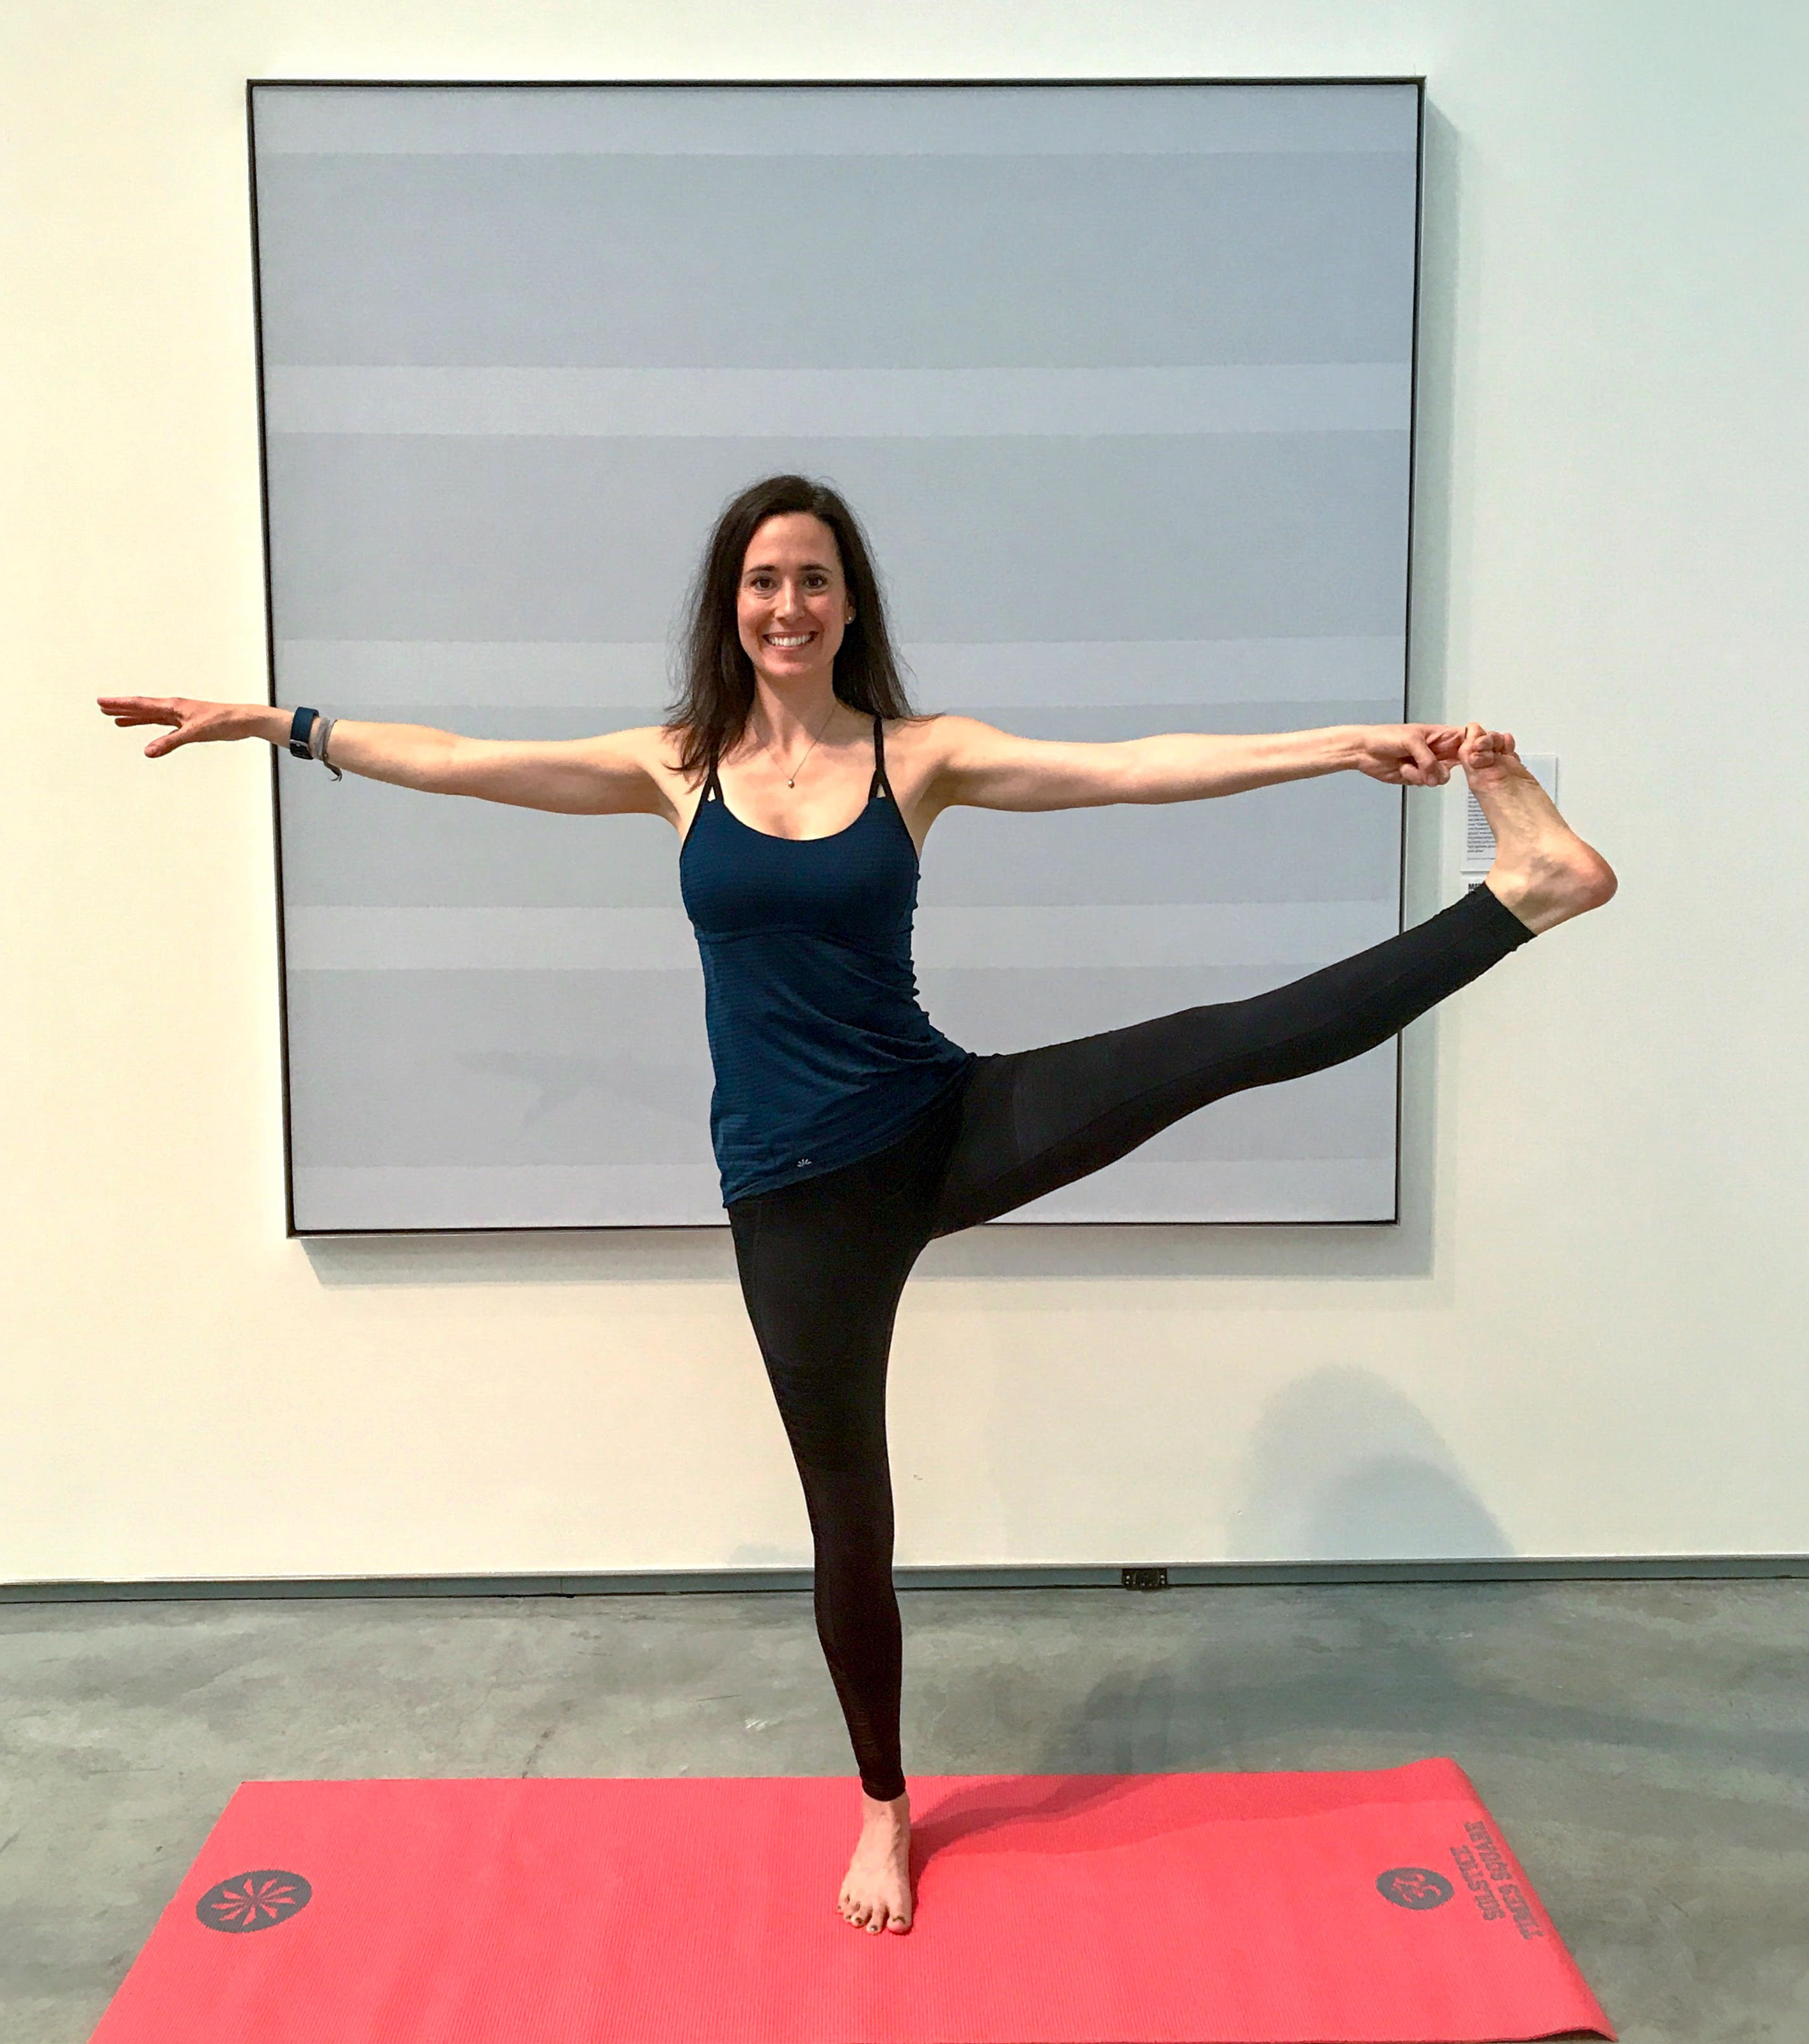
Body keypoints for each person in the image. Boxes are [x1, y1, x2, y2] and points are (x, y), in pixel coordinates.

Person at [99, 472, 1615, 1939]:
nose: (788, 603)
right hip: (790, 1194)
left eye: (812, 579)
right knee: (849, 1518)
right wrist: (276, 723)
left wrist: (1338, 745)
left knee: (1224, 1042)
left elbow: (1132, 767)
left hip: (936, 1121)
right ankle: (884, 1802)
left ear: (846, 603)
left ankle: (1527, 887)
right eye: (764, 579)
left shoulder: (920, 755)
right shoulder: (672, 765)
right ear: (731, 602)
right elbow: (452, 755)